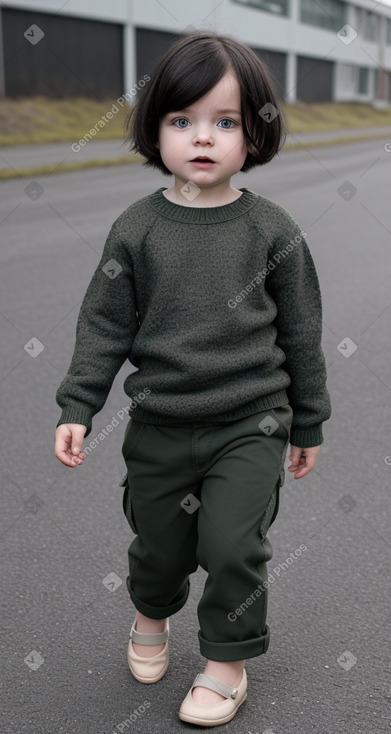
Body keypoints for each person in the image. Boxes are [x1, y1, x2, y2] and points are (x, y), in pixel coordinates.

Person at [54, 29, 331, 728]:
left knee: (234, 544)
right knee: (158, 545)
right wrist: (79, 403)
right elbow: (104, 326)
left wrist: (308, 420)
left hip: (251, 419)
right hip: (159, 424)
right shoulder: (136, 229)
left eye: (225, 121)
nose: (202, 138)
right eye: (182, 119)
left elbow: (300, 333)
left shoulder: (273, 231)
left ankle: (225, 665)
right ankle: (151, 612)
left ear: (254, 134)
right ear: (156, 129)